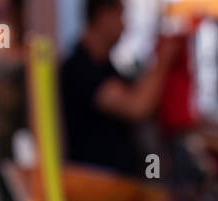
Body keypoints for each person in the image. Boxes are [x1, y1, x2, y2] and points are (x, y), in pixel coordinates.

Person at [60, 0, 179, 176]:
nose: (125, 24)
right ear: (103, 16)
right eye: (121, 15)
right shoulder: (79, 68)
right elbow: (136, 107)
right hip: (97, 189)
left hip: (120, 184)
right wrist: (163, 58)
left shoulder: (107, 67)